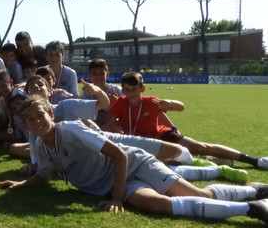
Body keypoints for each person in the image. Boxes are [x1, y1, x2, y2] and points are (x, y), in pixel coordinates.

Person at [0, 96, 268, 224]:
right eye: (30, 120)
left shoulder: (72, 129)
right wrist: (21, 184)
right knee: (157, 205)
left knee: (196, 194)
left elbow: (120, 154)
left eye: (40, 116)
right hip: (116, 181)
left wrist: (116, 198)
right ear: (27, 127)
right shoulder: (42, 147)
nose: (36, 122)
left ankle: (254, 190)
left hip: (133, 164)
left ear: (51, 115)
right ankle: (255, 209)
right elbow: (43, 175)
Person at [109, 72, 268, 169]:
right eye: (127, 90)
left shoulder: (152, 101)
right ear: (122, 90)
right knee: (166, 163)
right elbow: (107, 124)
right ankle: (213, 161)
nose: (131, 94)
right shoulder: (120, 103)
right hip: (139, 142)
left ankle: (254, 161)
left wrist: (169, 103)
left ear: (142, 89)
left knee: (200, 146)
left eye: (134, 90)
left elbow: (181, 107)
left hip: (163, 137)